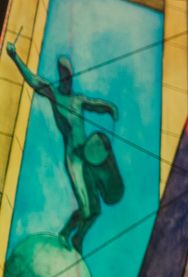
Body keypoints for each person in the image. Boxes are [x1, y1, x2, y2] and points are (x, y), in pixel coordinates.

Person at [5, 44, 124, 253]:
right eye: (64, 76)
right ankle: (64, 233)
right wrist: (15, 57)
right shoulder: (53, 94)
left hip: (88, 155)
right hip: (74, 158)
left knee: (94, 210)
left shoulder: (78, 100)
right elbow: (33, 81)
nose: (67, 80)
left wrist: (109, 108)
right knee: (86, 208)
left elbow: (95, 103)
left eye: (69, 76)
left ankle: (78, 238)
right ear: (61, 77)